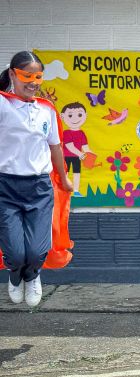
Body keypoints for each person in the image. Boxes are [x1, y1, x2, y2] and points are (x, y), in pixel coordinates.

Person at [0, 51, 73, 306]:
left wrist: (63, 179)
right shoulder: (2, 105)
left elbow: (55, 147)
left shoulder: (46, 110)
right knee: (16, 252)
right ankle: (16, 274)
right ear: (12, 74)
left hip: (39, 187)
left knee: (37, 249)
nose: (32, 82)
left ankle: (32, 276)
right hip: (6, 186)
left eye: (38, 76)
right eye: (26, 75)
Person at [61, 102, 92, 197]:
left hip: (77, 157)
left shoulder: (82, 133)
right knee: (65, 173)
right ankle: (63, 190)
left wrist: (90, 154)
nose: (75, 119)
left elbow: (85, 146)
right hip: (66, 156)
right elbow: (70, 146)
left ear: (85, 116)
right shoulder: (66, 133)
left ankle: (76, 190)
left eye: (79, 114)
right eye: (70, 115)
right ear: (62, 116)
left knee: (77, 173)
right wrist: (81, 154)